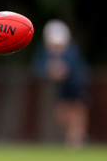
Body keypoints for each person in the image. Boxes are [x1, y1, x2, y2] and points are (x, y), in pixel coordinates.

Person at [32, 19, 89, 148]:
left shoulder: (72, 52)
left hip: (76, 86)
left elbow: (74, 70)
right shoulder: (46, 53)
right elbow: (39, 69)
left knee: (77, 113)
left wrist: (62, 71)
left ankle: (76, 138)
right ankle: (74, 136)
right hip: (62, 89)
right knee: (62, 115)